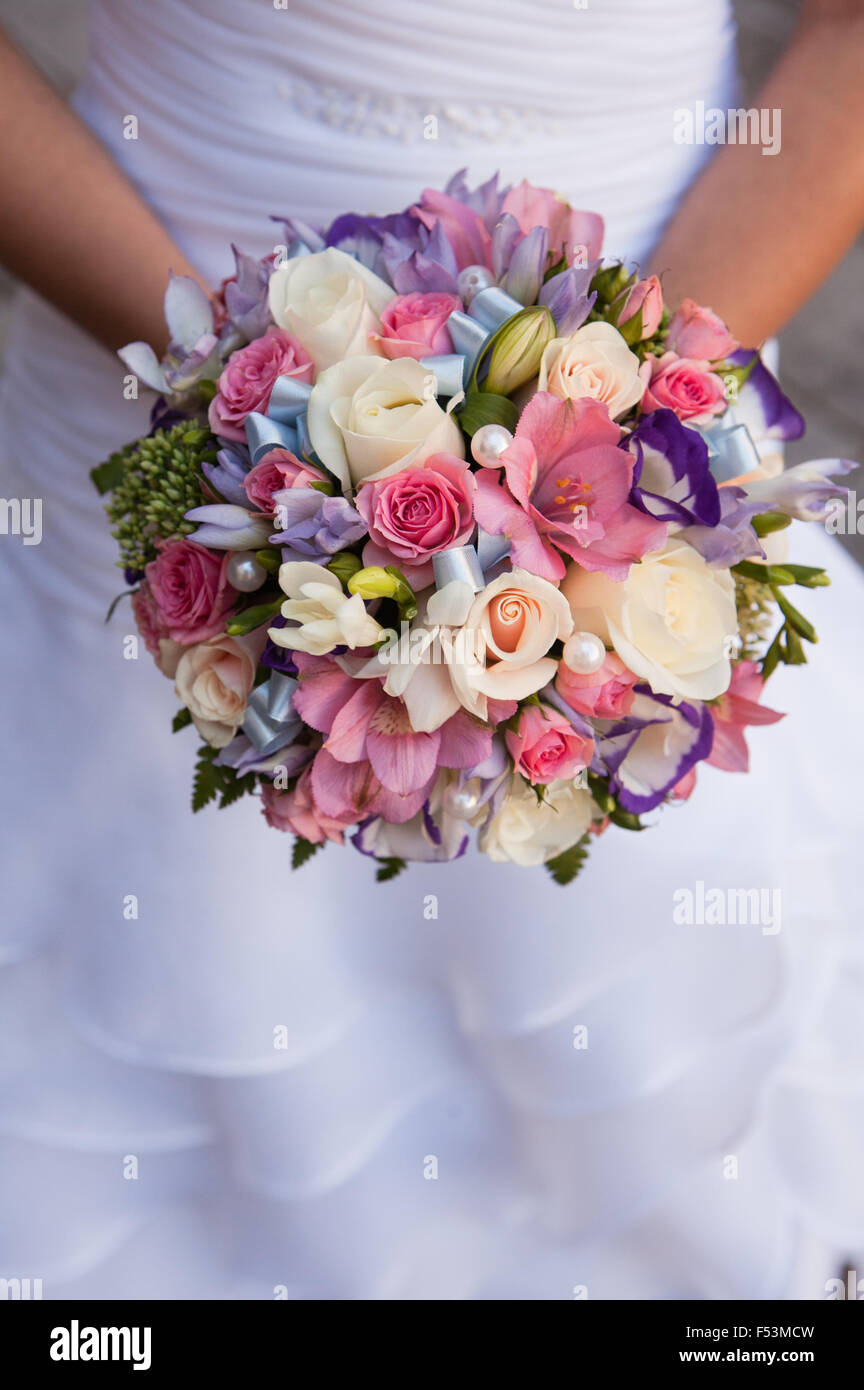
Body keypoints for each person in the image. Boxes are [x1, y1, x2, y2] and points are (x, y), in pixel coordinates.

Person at [0, 0, 862, 1300]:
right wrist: (218, 383)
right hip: (134, 367)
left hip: (656, 346)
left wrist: (620, 422)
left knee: (616, 1012)